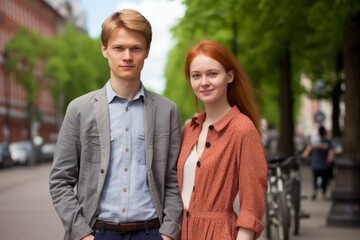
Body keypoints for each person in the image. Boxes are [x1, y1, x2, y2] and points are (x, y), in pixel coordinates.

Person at [49, 9, 183, 240]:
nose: (127, 56)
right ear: (104, 50)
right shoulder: (79, 109)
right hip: (98, 232)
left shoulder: (166, 110)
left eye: (136, 48)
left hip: (152, 232)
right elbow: (60, 181)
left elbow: (173, 180)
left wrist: (169, 233)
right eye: (119, 48)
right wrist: (82, 234)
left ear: (147, 51)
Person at [177, 40, 268, 240]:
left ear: (229, 76)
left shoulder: (242, 129)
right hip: (181, 232)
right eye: (196, 76)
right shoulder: (189, 129)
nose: (204, 82)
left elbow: (252, 204)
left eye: (212, 74)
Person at [302, 126, 334, 200]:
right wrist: (329, 160)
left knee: (314, 178)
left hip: (315, 164)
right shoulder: (328, 141)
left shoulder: (315, 141)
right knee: (324, 179)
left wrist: (304, 155)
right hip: (324, 164)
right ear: (325, 132)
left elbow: (308, 150)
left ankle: (314, 191)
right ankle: (324, 193)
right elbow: (331, 152)